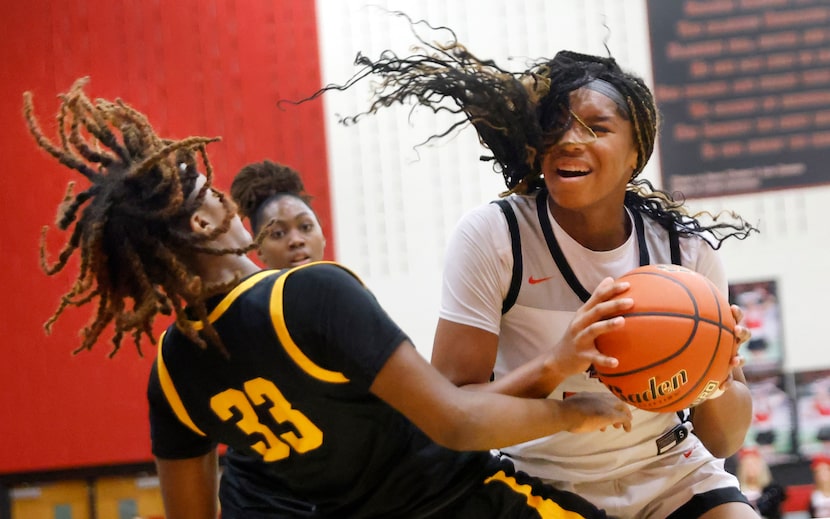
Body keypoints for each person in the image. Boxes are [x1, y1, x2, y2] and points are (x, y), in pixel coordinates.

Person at [25, 77, 634, 518]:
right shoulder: (309, 293)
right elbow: (453, 421)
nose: (221, 191)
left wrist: (550, 366)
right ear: (204, 225)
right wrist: (573, 411)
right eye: (203, 186)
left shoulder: (173, 374)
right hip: (467, 502)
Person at [311, 19, 760, 518]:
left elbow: (722, 439)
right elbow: (448, 413)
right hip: (536, 477)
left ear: (637, 150)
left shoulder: (684, 252)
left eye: (597, 127)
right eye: (556, 127)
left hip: (669, 472)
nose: (570, 139)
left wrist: (716, 369)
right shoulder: (495, 236)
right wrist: (558, 362)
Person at [230, 160, 326, 269]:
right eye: (278, 233)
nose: (296, 241)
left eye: (305, 227)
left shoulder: (346, 282)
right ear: (260, 250)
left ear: (322, 236)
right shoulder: (251, 285)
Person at [736, 448, 785, 519]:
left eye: (755, 464)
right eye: (748, 465)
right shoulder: (736, 491)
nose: (751, 468)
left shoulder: (773, 491)